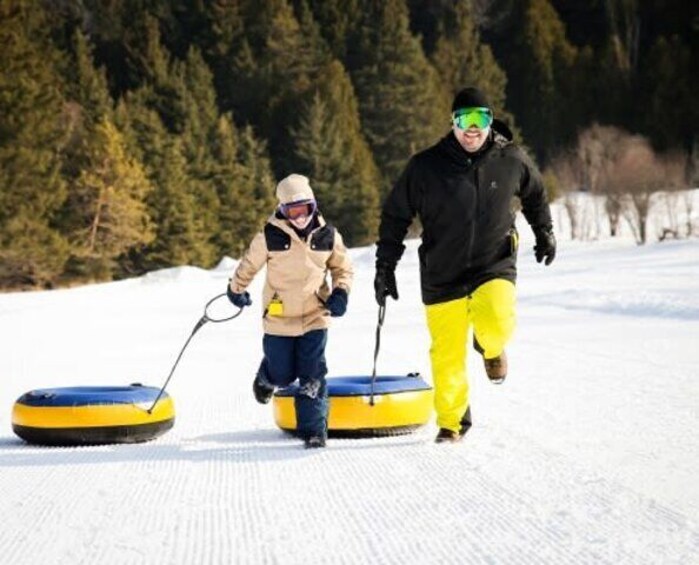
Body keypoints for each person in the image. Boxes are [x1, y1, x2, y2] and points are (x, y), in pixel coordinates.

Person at [374, 87, 556, 444]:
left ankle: (490, 349)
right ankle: (452, 422)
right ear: (452, 123)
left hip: (494, 262)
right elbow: (396, 216)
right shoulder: (425, 167)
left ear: (490, 122)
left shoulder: (511, 159)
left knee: (497, 321)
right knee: (447, 353)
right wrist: (385, 267)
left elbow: (535, 195)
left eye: (480, 119)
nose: (472, 128)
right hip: (443, 272)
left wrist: (544, 231)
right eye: (464, 120)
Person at [227, 174, 354, 449]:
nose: (299, 217)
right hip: (279, 317)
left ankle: (314, 431)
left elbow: (342, 268)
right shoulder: (269, 236)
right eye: (292, 212)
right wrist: (235, 290)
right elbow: (248, 265)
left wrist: (341, 291)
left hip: (315, 315)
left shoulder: (328, 235)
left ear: (314, 206)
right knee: (283, 374)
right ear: (282, 211)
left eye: (304, 210)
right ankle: (267, 376)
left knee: (312, 374)